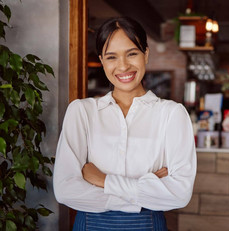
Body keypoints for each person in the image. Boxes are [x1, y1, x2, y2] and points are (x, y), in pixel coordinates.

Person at [53, 16, 197, 230]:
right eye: (112, 57)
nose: (123, 66)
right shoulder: (82, 112)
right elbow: (65, 190)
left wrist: (103, 180)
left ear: (145, 54)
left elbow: (179, 194)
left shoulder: (172, 114)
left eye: (132, 53)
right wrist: (145, 187)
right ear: (102, 61)